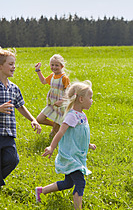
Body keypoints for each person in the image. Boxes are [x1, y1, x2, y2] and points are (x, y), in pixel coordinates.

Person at [35, 80, 96, 209]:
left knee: (68, 183)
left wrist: (88, 144)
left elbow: (79, 135)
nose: (92, 101)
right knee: (80, 182)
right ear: (80, 99)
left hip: (76, 155)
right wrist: (51, 147)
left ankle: (41, 191)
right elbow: (60, 132)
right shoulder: (71, 116)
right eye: (90, 98)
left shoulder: (82, 115)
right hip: (70, 156)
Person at [0, 48, 41, 188]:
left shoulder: (14, 88)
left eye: (14, 64)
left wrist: (33, 119)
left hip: (9, 133)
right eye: (10, 64)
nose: (14, 67)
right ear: (0, 66)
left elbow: (20, 106)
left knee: (12, 160)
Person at [35, 54, 70, 138]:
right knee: (39, 119)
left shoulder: (64, 78)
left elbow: (69, 92)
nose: (54, 67)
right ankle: (56, 125)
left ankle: (56, 130)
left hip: (61, 106)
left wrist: (62, 101)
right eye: (52, 65)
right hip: (52, 104)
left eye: (56, 65)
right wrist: (38, 70)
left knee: (53, 135)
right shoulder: (52, 76)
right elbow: (43, 81)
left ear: (62, 66)